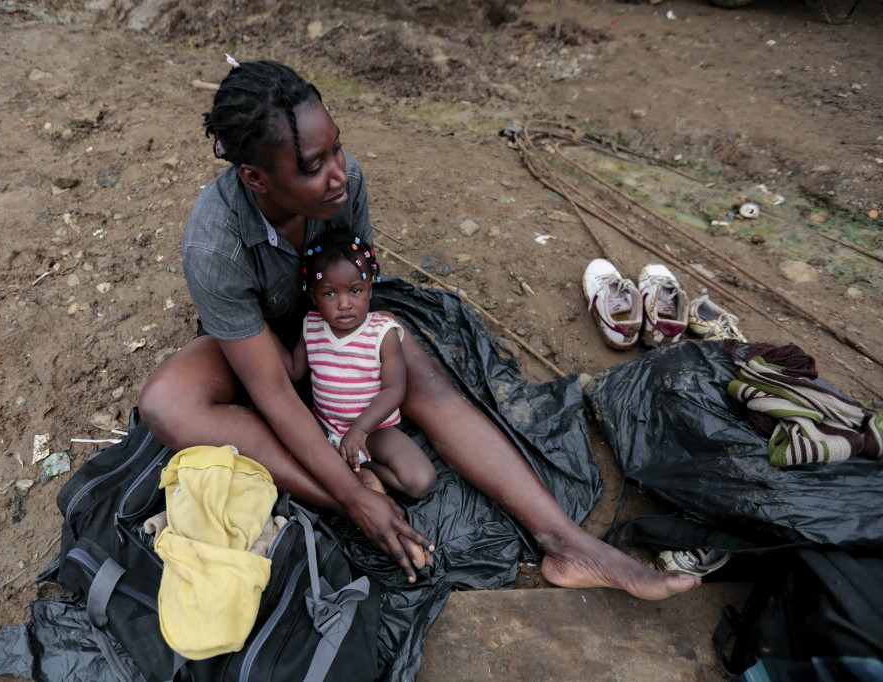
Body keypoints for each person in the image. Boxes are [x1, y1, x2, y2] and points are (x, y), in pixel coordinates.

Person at [138, 56, 699, 597]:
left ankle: (566, 543)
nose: (338, 175)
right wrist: (353, 496)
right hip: (259, 342)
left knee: (412, 366)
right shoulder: (215, 243)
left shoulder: (346, 184)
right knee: (166, 404)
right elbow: (274, 392)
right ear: (255, 178)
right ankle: (353, 499)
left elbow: (359, 290)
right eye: (313, 166)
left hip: (331, 312)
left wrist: (358, 352)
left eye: (338, 147)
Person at [276, 231, 437, 499]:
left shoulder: (382, 333)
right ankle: (348, 461)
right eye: (329, 293)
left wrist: (359, 431)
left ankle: (363, 464)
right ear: (314, 297)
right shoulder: (312, 326)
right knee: (287, 455)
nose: (344, 304)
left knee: (420, 481)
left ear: (370, 290)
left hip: (373, 430)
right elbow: (294, 370)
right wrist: (260, 331)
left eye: (355, 291)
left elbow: (394, 390)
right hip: (325, 427)